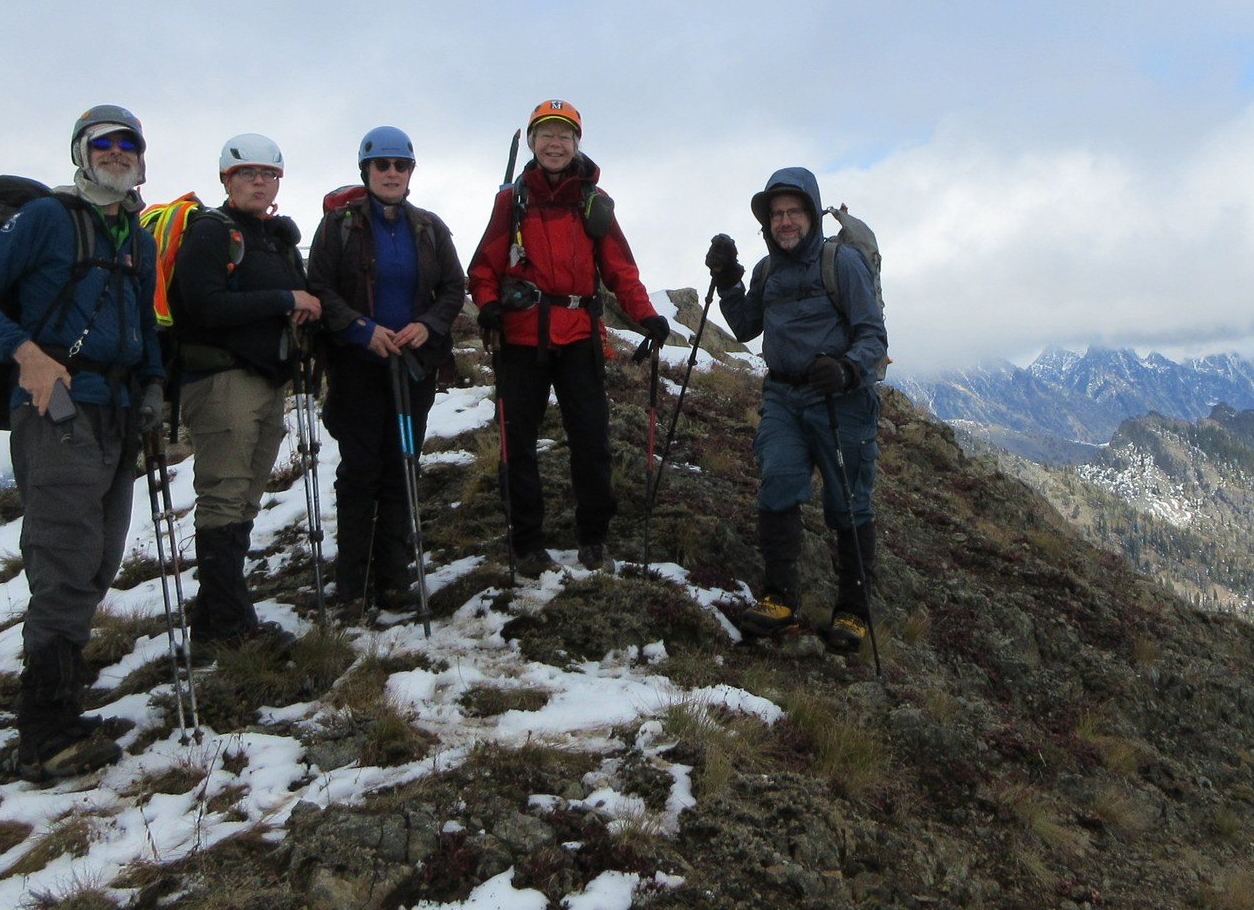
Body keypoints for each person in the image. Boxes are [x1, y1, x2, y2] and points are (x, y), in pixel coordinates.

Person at [0, 104, 166, 778]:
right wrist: (29, 357)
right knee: (65, 557)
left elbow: (144, 323)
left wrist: (154, 386)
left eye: (128, 142)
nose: (117, 151)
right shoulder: (47, 217)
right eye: (103, 142)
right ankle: (44, 732)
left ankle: (62, 704)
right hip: (56, 408)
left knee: (99, 558)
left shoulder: (137, 235)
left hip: (120, 410)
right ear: (81, 152)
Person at [466, 99, 668, 575]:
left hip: (578, 335)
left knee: (592, 440)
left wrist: (646, 315)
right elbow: (484, 266)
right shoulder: (511, 201)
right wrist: (488, 304)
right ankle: (526, 545)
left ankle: (594, 539)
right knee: (518, 443)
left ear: (576, 144)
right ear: (532, 142)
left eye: (564, 136)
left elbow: (620, 269)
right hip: (521, 336)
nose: (554, 144)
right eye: (546, 135)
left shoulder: (593, 201)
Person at [709, 166, 887, 653]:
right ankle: (780, 598)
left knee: (848, 501)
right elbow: (746, 326)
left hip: (842, 400)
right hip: (784, 397)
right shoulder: (767, 271)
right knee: (779, 481)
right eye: (777, 215)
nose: (785, 222)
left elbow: (873, 335)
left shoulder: (841, 263)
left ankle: (853, 611)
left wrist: (847, 369)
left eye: (794, 212)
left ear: (811, 213)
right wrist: (727, 280)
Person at [308, 125, 467, 614]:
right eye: (383, 165)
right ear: (367, 170)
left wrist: (426, 325)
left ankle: (393, 581)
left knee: (402, 467)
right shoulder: (339, 226)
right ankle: (352, 587)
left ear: (411, 172)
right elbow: (320, 287)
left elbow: (453, 288)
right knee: (360, 471)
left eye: (401, 165)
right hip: (358, 368)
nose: (392, 173)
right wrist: (362, 329)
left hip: (412, 369)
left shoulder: (430, 228)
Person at [171, 133, 318, 652]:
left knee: (244, 498)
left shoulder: (271, 239)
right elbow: (204, 304)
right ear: (226, 179)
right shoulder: (211, 232)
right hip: (222, 381)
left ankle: (213, 620)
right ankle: (232, 627)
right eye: (248, 174)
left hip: (265, 380)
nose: (260, 182)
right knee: (226, 494)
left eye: (269, 174)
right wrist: (285, 297)